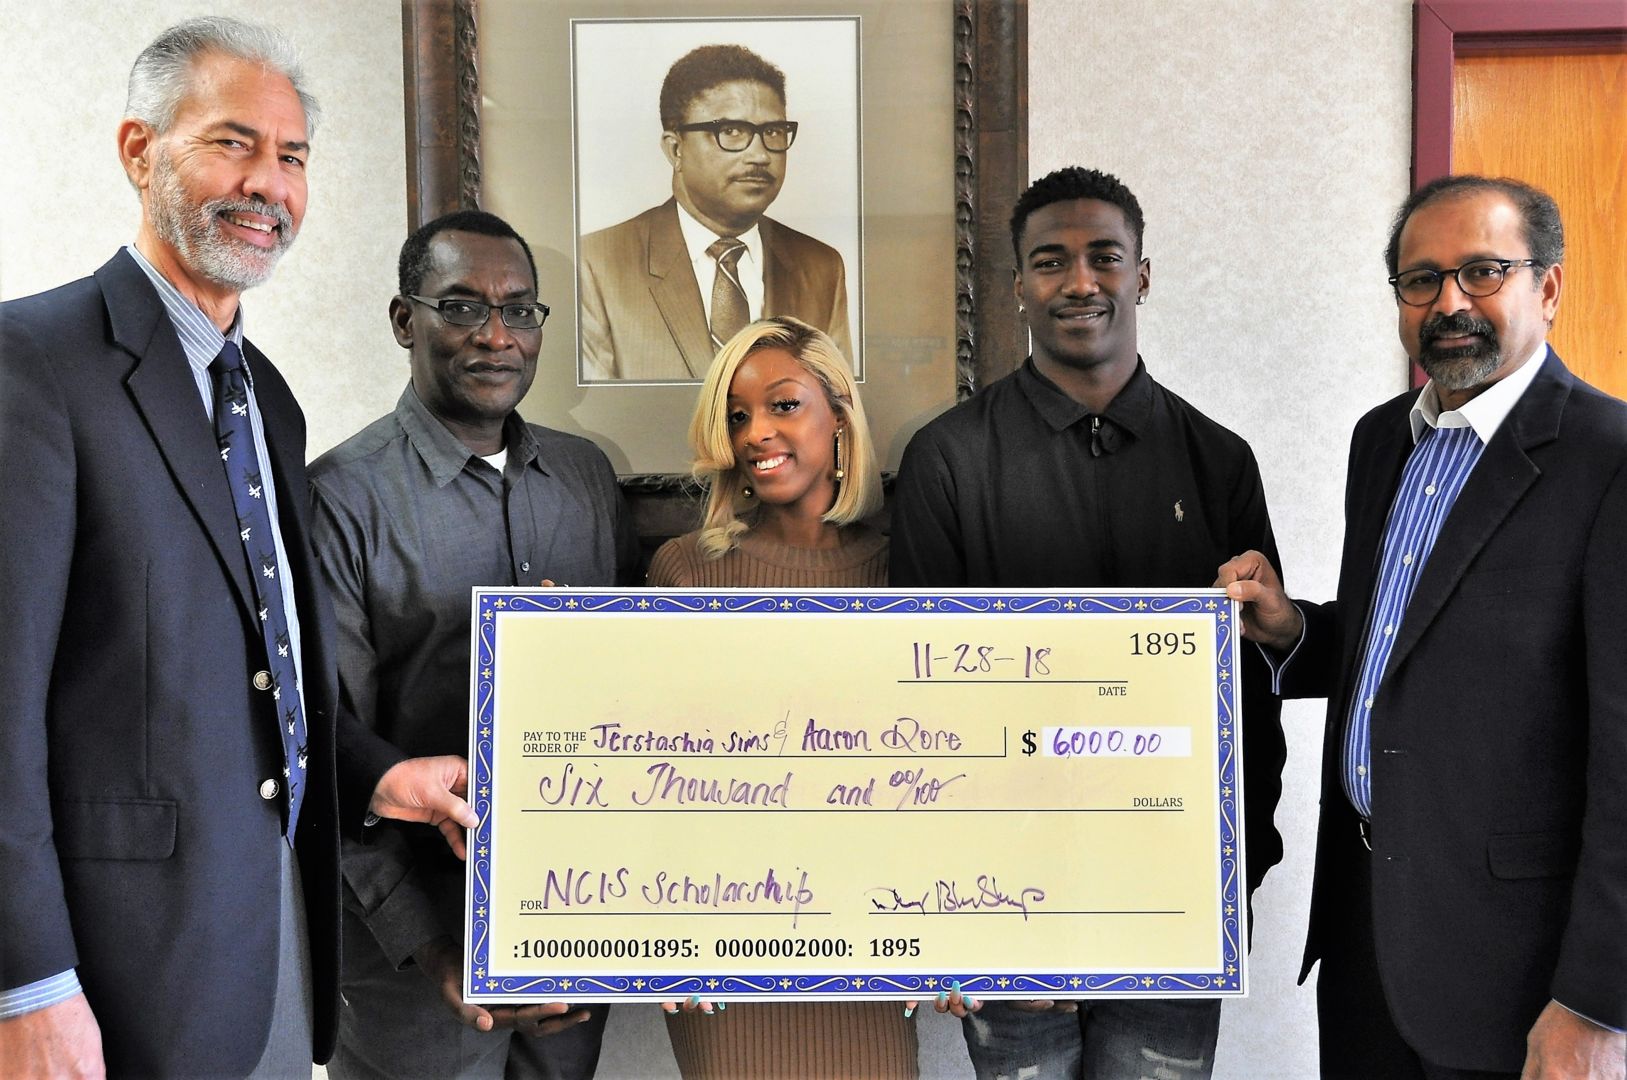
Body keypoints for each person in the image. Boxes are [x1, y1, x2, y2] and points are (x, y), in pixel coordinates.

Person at [0, 17, 476, 1078]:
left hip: (275, 952)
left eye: (292, 156)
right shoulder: (30, 366)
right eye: (232, 143)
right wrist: (24, 982)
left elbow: (261, 671)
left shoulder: (269, 402)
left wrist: (381, 777)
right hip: (109, 975)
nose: (268, 183)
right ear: (139, 151)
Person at [1219, 174, 1627, 1079]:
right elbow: (1397, 653)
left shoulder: (1609, 459)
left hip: (1516, 974)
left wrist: (1598, 1004)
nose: (1448, 303)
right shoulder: (1382, 442)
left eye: (1481, 272)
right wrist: (1291, 630)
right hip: (1365, 935)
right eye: (1420, 280)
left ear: (1547, 288)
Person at [889, 166, 1287, 1080]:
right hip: (1000, 899)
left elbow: (1254, 680)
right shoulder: (946, 459)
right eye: (1049, 261)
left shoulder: (1219, 460)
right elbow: (907, 694)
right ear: (1015, 285)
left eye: (1105, 257)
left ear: (1141, 274)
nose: (1079, 282)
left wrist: (1245, 858)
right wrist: (932, 902)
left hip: (1177, 887)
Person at [308, 209, 638, 1080]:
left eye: (520, 310)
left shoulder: (585, 479)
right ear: (403, 320)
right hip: (410, 968)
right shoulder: (340, 499)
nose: (496, 335)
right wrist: (436, 953)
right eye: (460, 307)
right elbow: (327, 750)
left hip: (574, 939)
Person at [647, 316, 913, 1077]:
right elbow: (654, 783)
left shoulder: (904, 576)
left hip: (876, 947)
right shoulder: (685, 573)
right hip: (721, 954)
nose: (756, 433)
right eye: (736, 416)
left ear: (839, 417)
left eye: (783, 405)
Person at [578, 44, 851, 382]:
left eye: (773, 132)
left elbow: (837, 402)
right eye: (732, 132)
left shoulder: (821, 266)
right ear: (676, 149)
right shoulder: (597, 263)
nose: (760, 155)